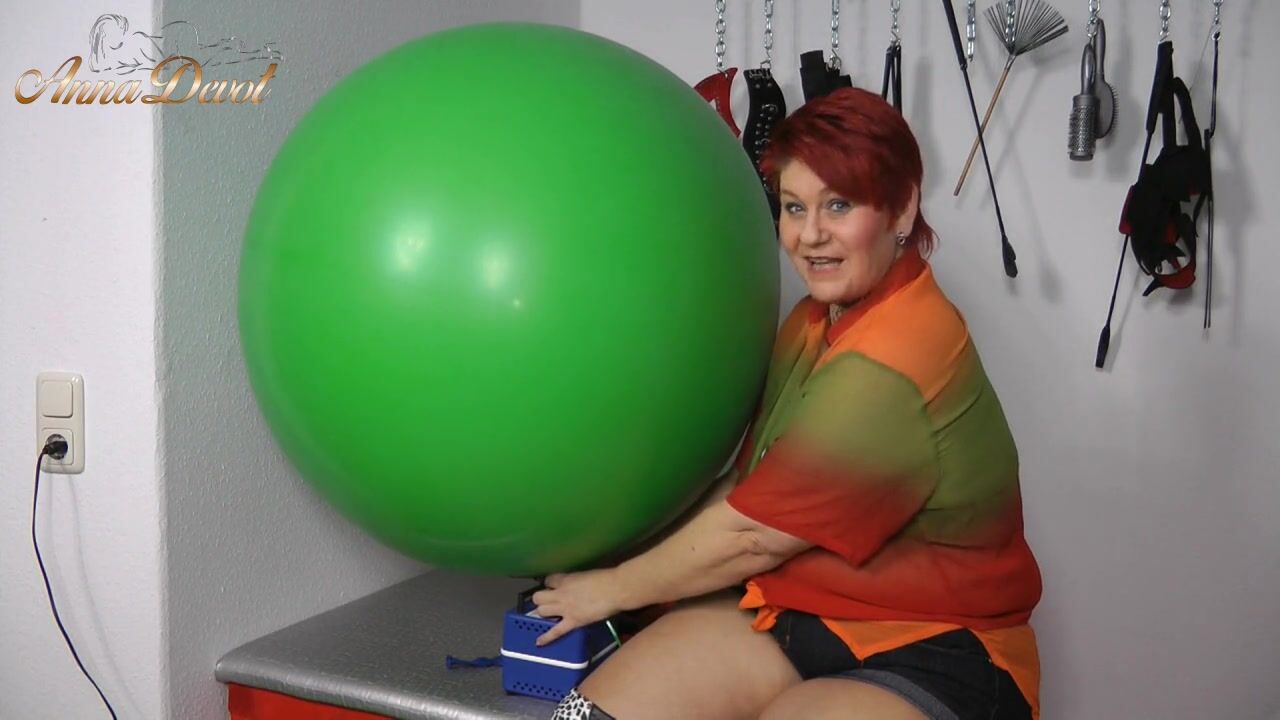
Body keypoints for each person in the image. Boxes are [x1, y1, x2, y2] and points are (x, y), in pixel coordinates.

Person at [534, 87, 1042, 720]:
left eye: (839, 204)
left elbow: (753, 538)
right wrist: (626, 565)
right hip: (797, 613)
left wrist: (608, 590)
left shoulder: (901, 353)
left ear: (903, 207)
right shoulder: (812, 320)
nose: (811, 235)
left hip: (937, 647)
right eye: (794, 207)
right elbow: (748, 490)